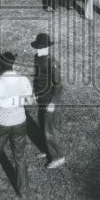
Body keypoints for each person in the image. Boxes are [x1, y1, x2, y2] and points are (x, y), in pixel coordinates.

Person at [0, 52, 34, 200]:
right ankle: (23, 191)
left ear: (0, 67)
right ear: (13, 65)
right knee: (20, 156)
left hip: (2, 125)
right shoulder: (23, 81)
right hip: (20, 122)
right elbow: (29, 102)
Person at [31, 33, 65, 168]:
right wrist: (34, 92)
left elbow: (59, 85)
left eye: (41, 48)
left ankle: (58, 157)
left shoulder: (52, 63)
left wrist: (53, 103)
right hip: (41, 98)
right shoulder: (37, 58)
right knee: (42, 124)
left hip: (49, 100)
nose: (38, 50)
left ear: (47, 48)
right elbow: (37, 77)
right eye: (37, 48)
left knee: (49, 129)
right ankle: (47, 150)